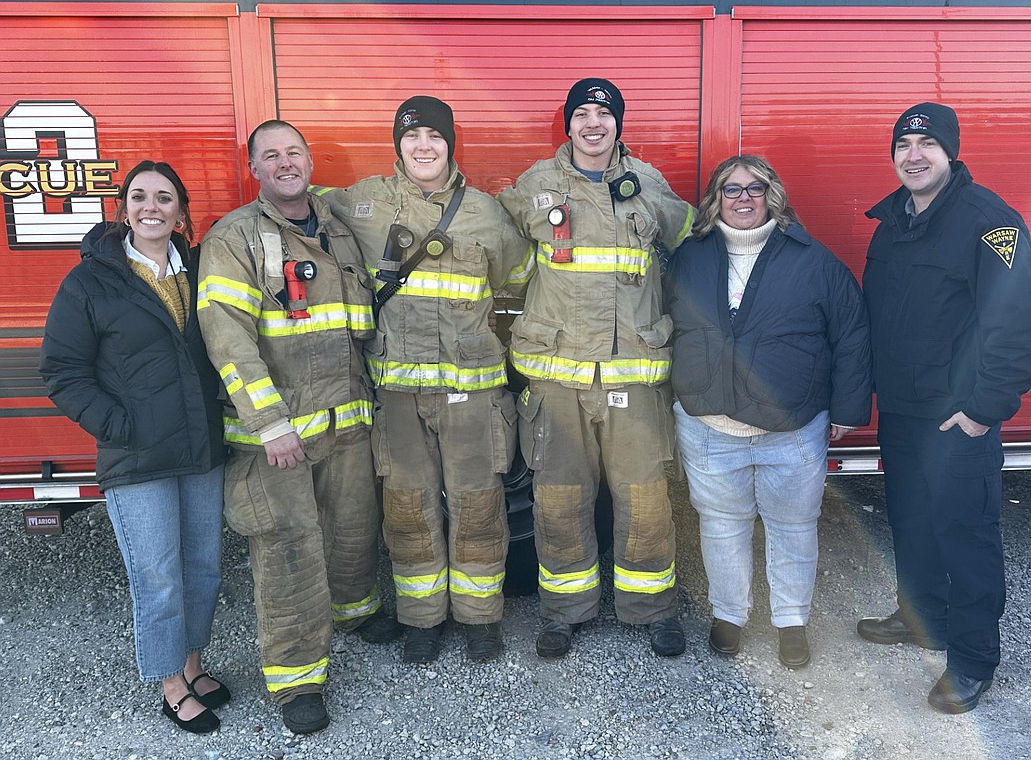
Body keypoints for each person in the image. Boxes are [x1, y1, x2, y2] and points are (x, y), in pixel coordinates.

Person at [197, 120, 399, 735]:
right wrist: (269, 422)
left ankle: (354, 613)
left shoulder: (339, 230)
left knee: (352, 531)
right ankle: (297, 679)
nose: (285, 163)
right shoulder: (234, 238)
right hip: (278, 439)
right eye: (271, 156)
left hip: (346, 421)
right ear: (254, 169)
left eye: (294, 152)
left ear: (310, 161)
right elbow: (227, 338)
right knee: (289, 550)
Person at [321, 96, 534, 664]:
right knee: (408, 507)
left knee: (478, 504)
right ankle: (422, 617)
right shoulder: (361, 204)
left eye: (435, 138)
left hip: (472, 391)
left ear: (450, 145)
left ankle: (480, 617)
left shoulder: (486, 213)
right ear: (397, 144)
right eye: (412, 137)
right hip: (397, 395)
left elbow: (519, 274)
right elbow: (299, 216)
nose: (423, 147)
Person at [857, 102, 1031, 713]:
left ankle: (970, 660)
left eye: (927, 144)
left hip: (957, 418)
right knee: (911, 524)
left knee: (964, 537)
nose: (914, 155)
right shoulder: (893, 223)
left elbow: (1016, 325)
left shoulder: (992, 223)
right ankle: (924, 620)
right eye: (903, 145)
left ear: (951, 153)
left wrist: (983, 410)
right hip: (905, 414)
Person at [498, 78, 694, 659]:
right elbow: (498, 262)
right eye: (581, 113)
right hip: (556, 375)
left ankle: (651, 607)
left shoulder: (651, 185)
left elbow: (696, 252)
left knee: (645, 497)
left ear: (618, 124)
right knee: (558, 497)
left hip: (632, 372)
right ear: (567, 124)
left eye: (603, 114)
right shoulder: (533, 187)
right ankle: (564, 611)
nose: (592, 123)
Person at [39, 161, 229, 734]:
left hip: (201, 449)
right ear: (124, 209)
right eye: (140, 197)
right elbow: (62, 371)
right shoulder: (91, 281)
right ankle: (170, 683)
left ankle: (194, 664)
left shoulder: (198, 270)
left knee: (204, 568)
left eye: (165, 198)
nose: (152, 207)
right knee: (159, 575)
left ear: (180, 213)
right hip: (137, 456)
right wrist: (117, 426)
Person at [666, 155, 871, 669]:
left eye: (754, 189)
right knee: (720, 524)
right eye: (730, 190)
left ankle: (791, 621)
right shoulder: (689, 257)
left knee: (794, 525)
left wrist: (848, 408)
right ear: (714, 200)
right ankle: (729, 616)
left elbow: (851, 334)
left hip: (792, 429)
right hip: (710, 425)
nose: (743, 198)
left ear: (772, 196)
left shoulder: (813, 260)